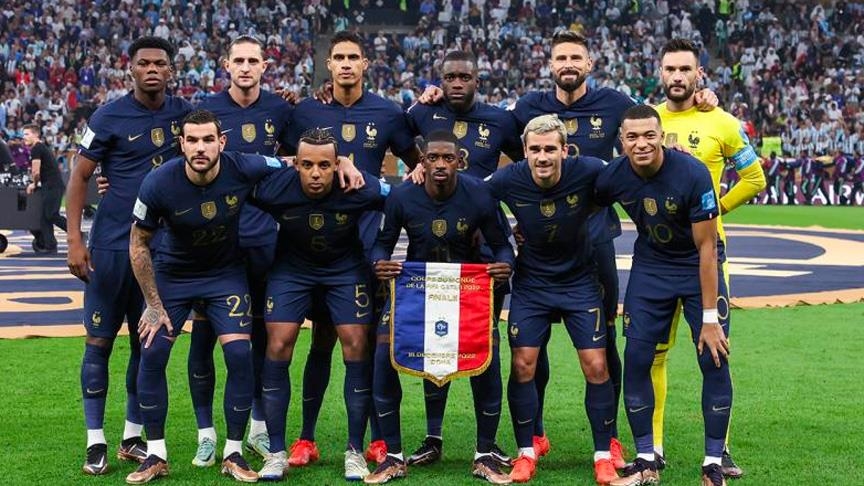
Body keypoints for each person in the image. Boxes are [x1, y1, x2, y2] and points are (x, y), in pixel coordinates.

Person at [127, 109, 286, 484]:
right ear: (181, 144)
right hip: (174, 275)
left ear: (222, 142)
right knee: (153, 352)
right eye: (193, 140)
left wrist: (344, 163)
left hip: (225, 275)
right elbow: (138, 243)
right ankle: (155, 455)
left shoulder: (244, 166)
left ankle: (233, 451)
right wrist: (153, 305)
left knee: (239, 354)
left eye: (208, 140)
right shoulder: (157, 182)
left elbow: (291, 164)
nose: (201, 147)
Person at [284, 30, 420, 468]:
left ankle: (377, 438)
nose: (345, 63)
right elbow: (282, 163)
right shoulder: (305, 112)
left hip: (366, 248)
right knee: (321, 342)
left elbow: (419, 167)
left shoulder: (388, 112)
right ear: (329, 64)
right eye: (338, 57)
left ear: (365, 64)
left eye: (353, 57)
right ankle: (305, 438)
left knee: (370, 344)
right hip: (314, 246)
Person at [66, 36, 192, 476]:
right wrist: (75, 240)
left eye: (160, 63)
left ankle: (132, 437)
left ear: (171, 70)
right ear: (131, 69)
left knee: (148, 344)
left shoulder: (184, 114)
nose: (152, 69)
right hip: (112, 246)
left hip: (159, 252)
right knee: (98, 342)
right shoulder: (108, 115)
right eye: (144, 63)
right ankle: (94, 441)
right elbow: (80, 176)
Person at [365, 130, 515, 485]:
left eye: (448, 158)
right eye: (433, 158)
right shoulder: (402, 196)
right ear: (422, 160)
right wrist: (378, 264)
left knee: (487, 360)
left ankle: (484, 454)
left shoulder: (479, 194)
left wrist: (505, 265)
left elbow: (502, 246)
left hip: (468, 291)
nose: (441, 164)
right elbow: (381, 244)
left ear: (460, 161)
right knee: (383, 356)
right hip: (416, 290)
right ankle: (393, 457)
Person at [594, 105, 732, 486]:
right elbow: (584, 198)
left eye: (649, 135)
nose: (641, 144)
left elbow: (707, 248)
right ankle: (645, 459)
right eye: (632, 137)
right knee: (637, 357)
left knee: (713, 357)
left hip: (696, 265)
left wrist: (709, 319)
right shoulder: (613, 176)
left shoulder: (692, 173)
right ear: (621, 141)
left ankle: (713, 463)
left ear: (661, 137)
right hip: (652, 267)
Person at [401, 50, 522, 468]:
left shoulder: (501, 120)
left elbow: (524, 169)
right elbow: (398, 140)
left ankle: (486, 444)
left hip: (483, 251)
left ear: (477, 80)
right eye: (449, 77)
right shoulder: (422, 113)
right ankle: (433, 437)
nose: (456, 83)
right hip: (435, 251)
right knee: (435, 345)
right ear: (440, 80)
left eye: (463, 77)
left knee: (483, 344)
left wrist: (519, 219)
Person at [651, 38, 764, 477]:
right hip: (658, 257)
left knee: (715, 353)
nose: (677, 76)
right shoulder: (646, 121)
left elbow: (754, 178)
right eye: (670, 69)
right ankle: (653, 448)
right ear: (660, 72)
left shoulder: (723, 122)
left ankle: (721, 449)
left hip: (707, 256)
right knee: (653, 355)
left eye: (685, 69)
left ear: (699, 74)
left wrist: (715, 208)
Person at [251, 128, 390, 481]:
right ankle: (276, 453)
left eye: (325, 165)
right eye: (308, 165)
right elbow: (231, 180)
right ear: (296, 164)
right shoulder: (275, 187)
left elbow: (402, 200)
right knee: (278, 344)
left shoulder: (356, 186)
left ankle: (355, 451)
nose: (316, 173)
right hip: (291, 271)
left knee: (356, 344)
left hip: (345, 271)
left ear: (337, 165)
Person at [485, 115, 617, 484]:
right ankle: (526, 452)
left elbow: (630, 174)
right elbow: (470, 194)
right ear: (524, 151)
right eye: (535, 149)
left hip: (580, 282)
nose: (542, 157)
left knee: (596, 366)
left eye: (549, 149)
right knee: (523, 365)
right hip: (532, 285)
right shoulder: (508, 179)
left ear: (565, 150)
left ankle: (603, 456)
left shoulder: (589, 169)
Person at [185, 34, 297, 467]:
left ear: (265, 66)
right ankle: (206, 433)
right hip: (214, 242)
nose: (246, 67)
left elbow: (306, 154)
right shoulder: (205, 110)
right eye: (239, 61)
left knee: (259, 339)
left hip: (265, 240)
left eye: (254, 61)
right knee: (204, 337)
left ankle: (257, 428)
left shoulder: (281, 109)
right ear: (226, 65)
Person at [23, 124, 67, 253]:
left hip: (53, 186)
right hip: (51, 185)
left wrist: (34, 184)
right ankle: (50, 246)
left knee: (51, 214)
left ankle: (78, 234)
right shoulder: (41, 147)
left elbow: (35, 171)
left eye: (27, 134)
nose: (24, 137)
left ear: (36, 134)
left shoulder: (36, 148)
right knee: (44, 217)